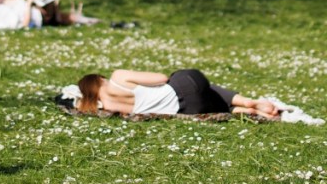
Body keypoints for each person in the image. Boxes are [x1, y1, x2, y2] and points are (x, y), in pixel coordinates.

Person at [72, 69, 280, 119]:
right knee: (186, 81)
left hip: (187, 110)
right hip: (186, 85)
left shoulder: (108, 107)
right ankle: (248, 101)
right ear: (99, 80)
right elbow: (161, 78)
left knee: (212, 102)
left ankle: (245, 109)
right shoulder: (117, 77)